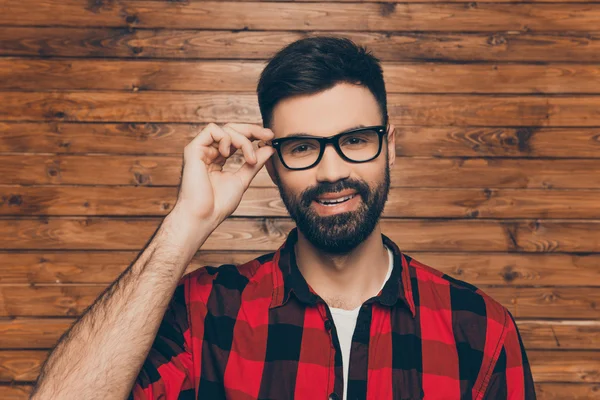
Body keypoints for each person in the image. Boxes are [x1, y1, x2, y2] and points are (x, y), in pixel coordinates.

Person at [30, 36, 536, 400]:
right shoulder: (203, 313)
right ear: (271, 164)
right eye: (302, 148)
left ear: (390, 148)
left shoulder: (479, 328)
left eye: (355, 140)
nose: (332, 171)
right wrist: (187, 222)